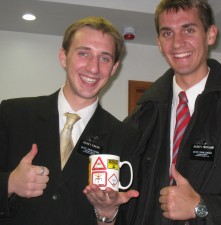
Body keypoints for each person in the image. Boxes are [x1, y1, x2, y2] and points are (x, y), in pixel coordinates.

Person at [87, 0, 221, 224]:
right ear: (159, 43)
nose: (178, 43)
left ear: (210, 34)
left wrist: (203, 207)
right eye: (168, 33)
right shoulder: (140, 120)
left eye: (188, 29)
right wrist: (108, 212)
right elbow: (131, 206)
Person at [0, 16, 140, 225]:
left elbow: (129, 217)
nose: (93, 68)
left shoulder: (125, 137)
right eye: (84, 53)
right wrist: (9, 183)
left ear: (114, 68)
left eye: (104, 58)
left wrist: (107, 214)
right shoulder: (12, 114)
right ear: (63, 57)